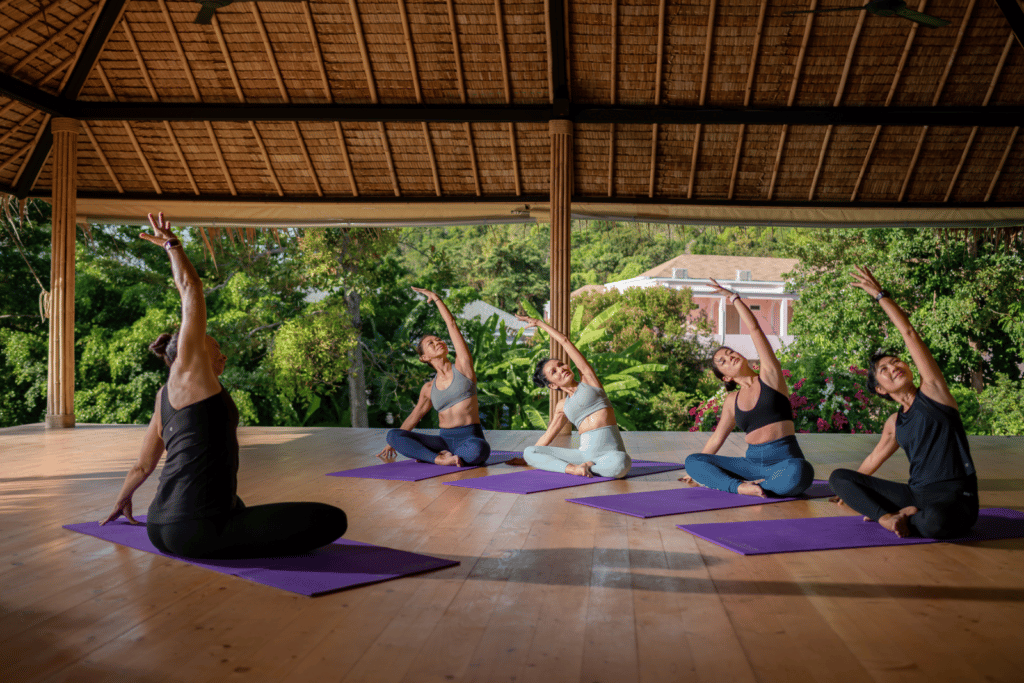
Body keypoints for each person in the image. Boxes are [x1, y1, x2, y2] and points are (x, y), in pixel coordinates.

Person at [102, 212, 347, 559]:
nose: (223, 356)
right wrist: (173, 245)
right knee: (331, 519)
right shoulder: (189, 374)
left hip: (159, 526)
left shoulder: (163, 397)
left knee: (237, 503)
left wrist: (123, 498)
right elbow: (191, 289)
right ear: (190, 355)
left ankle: (222, 530)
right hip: (195, 530)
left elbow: (142, 466)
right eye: (213, 348)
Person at [828, 265, 978, 539]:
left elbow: (908, 333)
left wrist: (880, 295)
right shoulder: (895, 422)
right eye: (883, 370)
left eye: (895, 361)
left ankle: (909, 516)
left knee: (936, 522)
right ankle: (888, 517)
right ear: (880, 390)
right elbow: (874, 459)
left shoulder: (934, 392)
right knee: (838, 477)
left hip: (956, 496)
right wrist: (849, 493)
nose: (893, 367)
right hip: (916, 493)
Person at [682, 278, 814, 497]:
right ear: (725, 378)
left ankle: (754, 486)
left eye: (730, 353)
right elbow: (717, 438)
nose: (729, 357)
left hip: (785, 460)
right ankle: (741, 487)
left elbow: (755, 331)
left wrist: (734, 299)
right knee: (693, 461)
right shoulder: (731, 401)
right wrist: (695, 472)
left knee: (801, 471)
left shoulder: (770, 377)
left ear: (741, 355)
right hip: (751, 464)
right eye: (722, 361)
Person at [376, 288, 491, 467]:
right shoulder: (429, 388)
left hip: (470, 438)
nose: (438, 342)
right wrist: (393, 443)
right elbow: (415, 416)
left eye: (439, 339)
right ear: (424, 358)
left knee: (480, 450)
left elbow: (452, 325)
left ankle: (444, 456)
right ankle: (440, 458)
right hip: (444, 440)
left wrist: (436, 299)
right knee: (393, 435)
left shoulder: (463, 368)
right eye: (431, 343)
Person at [515, 314, 631, 479]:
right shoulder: (563, 406)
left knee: (622, 462)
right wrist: (527, 458)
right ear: (553, 385)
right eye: (554, 372)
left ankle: (590, 467)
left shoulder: (589, 381)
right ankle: (574, 469)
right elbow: (548, 436)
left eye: (561, 364)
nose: (561, 369)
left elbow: (564, 341)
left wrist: (540, 323)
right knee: (530, 451)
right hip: (583, 455)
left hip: (610, 454)